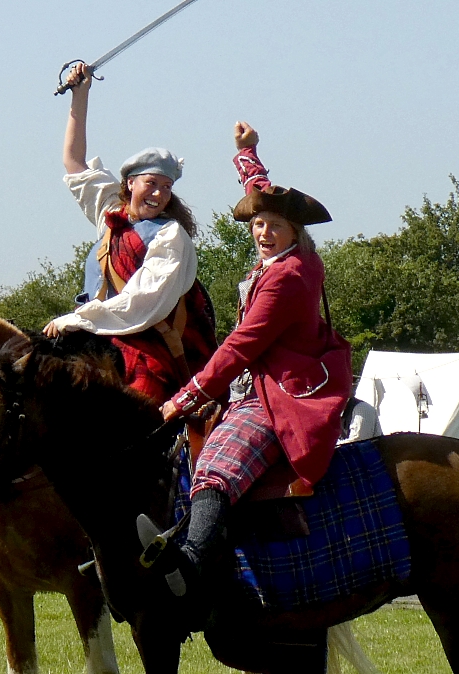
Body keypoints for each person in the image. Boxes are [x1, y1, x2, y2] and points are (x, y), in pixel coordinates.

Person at [158, 122, 353, 620]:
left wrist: (184, 396)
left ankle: (190, 565)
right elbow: (260, 195)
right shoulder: (286, 259)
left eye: (275, 226)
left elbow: (243, 346)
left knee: (216, 466)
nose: (264, 233)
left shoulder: (288, 277)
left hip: (280, 394)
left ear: (296, 233)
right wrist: (247, 154)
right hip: (258, 382)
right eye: (258, 224)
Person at [43, 62, 217, 405]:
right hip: (97, 336)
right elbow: (73, 162)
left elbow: (142, 302)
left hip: (148, 347)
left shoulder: (170, 236)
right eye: (151, 183)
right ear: (130, 183)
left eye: (166, 187)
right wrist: (80, 94)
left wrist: (76, 320)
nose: (158, 193)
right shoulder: (110, 211)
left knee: (135, 411)